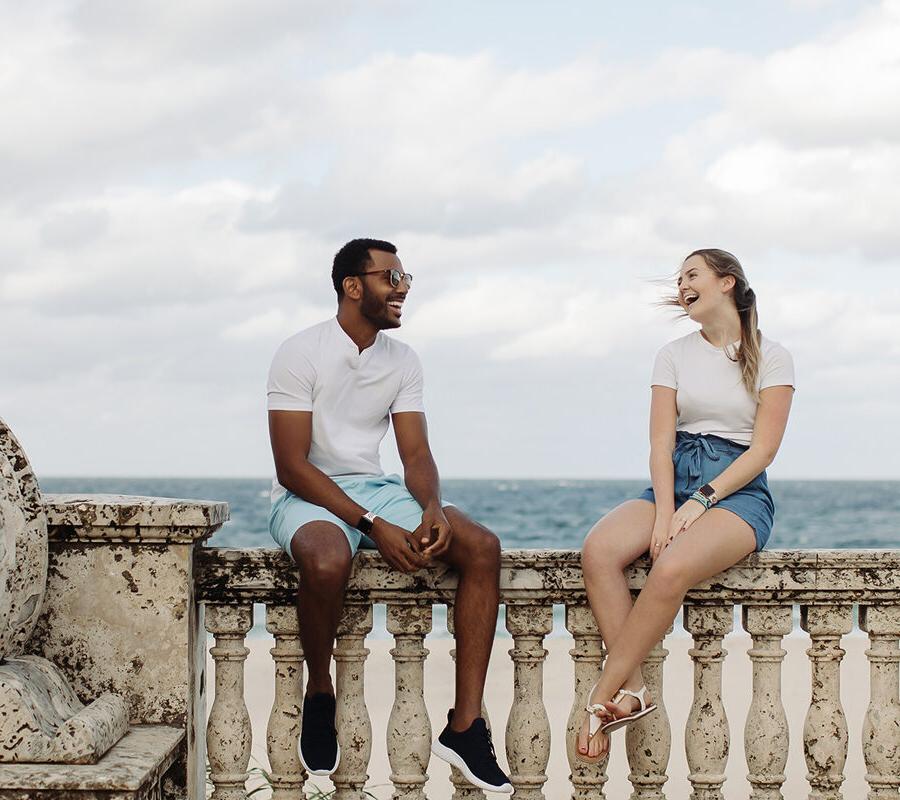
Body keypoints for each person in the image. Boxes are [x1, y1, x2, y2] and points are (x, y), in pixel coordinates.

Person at [267, 238, 512, 793]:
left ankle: (466, 726)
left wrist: (429, 508)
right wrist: (373, 526)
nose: (402, 287)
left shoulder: (403, 360)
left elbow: (416, 455)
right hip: (309, 493)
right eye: (390, 277)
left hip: (378, 489)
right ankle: (320, 694)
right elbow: (290, 465)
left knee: (482, 547)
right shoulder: (299, 351)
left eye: (405, 277)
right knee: (328, 558)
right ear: (353, 287)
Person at [575, 248, 795, 762]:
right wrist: (668, 506)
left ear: (727, 282)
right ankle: (634, 689)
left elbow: (764, 449)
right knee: (600, 549)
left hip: (738, 492)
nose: (682, 286)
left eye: (692, 275)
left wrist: (700, 501)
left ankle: (601, 697)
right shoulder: (672, 353)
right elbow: (659, 443)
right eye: (678, 280)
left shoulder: (772, 354)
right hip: (674, 478)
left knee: (671, 567)